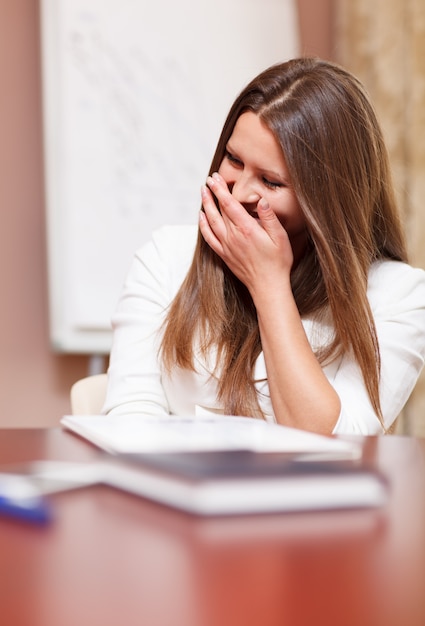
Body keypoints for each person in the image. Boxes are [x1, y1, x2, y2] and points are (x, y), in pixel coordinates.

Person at [102, 57, 425, 435]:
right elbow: (129, 423)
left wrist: (269, 285)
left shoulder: (399, 295)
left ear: (328, 199)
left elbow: (338, 445)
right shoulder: (166, 257)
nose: (238, 193)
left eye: (271, 181)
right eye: (234, 159)